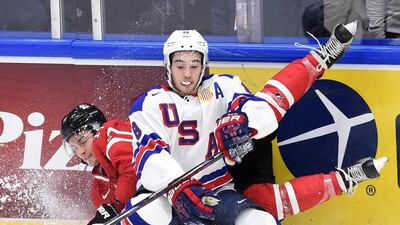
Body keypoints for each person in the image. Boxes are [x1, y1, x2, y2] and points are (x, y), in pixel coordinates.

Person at [126, 21, 388, 225]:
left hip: (217, 188)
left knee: (262, 217)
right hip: (166, 194)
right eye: (180, 65)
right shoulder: (150, 103)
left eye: (194, 65)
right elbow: (150, 157)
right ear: (168, 65)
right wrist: (178, 186)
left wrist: (243, 121)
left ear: (204, 65)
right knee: (148, 213)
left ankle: (320, 60)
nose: (187, 73)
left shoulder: (221, 87)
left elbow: (263, 106)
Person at [60, 104, 180, 225]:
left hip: (184, 199)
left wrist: (116, 205)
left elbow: (132, 171)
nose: (81, 152)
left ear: (98, 130)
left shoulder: (112, 134)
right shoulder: (99, 191)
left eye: (83, 141)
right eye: (74, 147)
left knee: (143, 208)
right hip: (173, 213)